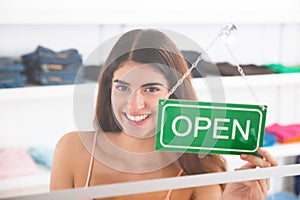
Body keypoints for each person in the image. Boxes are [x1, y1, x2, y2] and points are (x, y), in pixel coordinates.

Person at [50, 29, 278, 200]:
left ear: (175, 93)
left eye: (151, 89)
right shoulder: (72, 149)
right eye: (122, 87)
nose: (134, 104)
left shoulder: (201, 171)